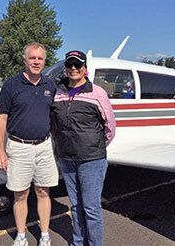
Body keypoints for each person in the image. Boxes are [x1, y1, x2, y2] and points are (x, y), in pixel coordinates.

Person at [0, 42, 59, 246]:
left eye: (40, 58)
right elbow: (2, 118)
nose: (36, 62)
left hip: (44, 147)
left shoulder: (50, 85)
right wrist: (0, 151)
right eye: (32, 58)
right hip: (19, 147)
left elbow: (54, 116)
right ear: (25, 60)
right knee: (20, 194)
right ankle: (21, 236)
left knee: (43, 192)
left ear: (44, 61)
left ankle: (44, 235)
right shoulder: (11, 85)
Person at [51, 50, 116, 246]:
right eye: (69, 65)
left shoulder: (97, 93)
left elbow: (110, 127)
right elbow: (54, 124)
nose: (73, 69)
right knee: (76, 205)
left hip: (91, 159)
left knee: (91, 207)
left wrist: (94, 146)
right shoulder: (58, 92)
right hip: (67, 158)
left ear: (84, 69)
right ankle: (78, 242)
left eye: (77, 65)